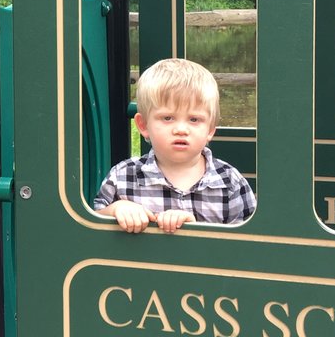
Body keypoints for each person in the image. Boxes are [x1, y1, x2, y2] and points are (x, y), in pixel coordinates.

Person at [93, 57, 255, 233]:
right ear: (143, 125)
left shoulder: (230, 182)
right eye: (167, 118)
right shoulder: (123, 176)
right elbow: (91, 225)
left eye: (194, 119)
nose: (180, 129)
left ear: (210, 129)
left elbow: (251, 242)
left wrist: (195, 231)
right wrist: (117, 209)